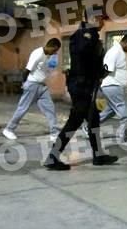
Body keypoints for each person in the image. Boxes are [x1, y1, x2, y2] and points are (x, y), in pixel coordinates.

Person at [43, 11, 118, 170]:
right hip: (81, 85)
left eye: (102, 19)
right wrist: (90, 36)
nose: (101, 22)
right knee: (75, 120)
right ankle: (52, 157)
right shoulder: (83, 35)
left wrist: (100, 72)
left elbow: (92, 61)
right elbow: (83, 56)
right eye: (97, 18)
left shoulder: (91, 35)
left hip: (88, 84)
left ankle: (98, 156)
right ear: (88, 18)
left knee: (93, 120)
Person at [2, 38, 61, 141]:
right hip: (32, 85)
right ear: (51, 46)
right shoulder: (37, 54)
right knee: (22, 108)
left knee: (50, 109)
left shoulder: (49, 56)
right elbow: (26, 70)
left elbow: (47, 69)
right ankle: (9, 129)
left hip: (42, 86)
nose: (55, 52)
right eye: (55, 50)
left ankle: (54, 133)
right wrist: (24, 84)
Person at [99, 33, 127, 142]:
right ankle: (123, 136)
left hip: (115, 85)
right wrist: (100, 82)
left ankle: (89, 127)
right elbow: (107, 69)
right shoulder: (115, 51)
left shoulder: (121, 52)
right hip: (112, 85)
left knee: (110, 111)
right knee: (126, 113)